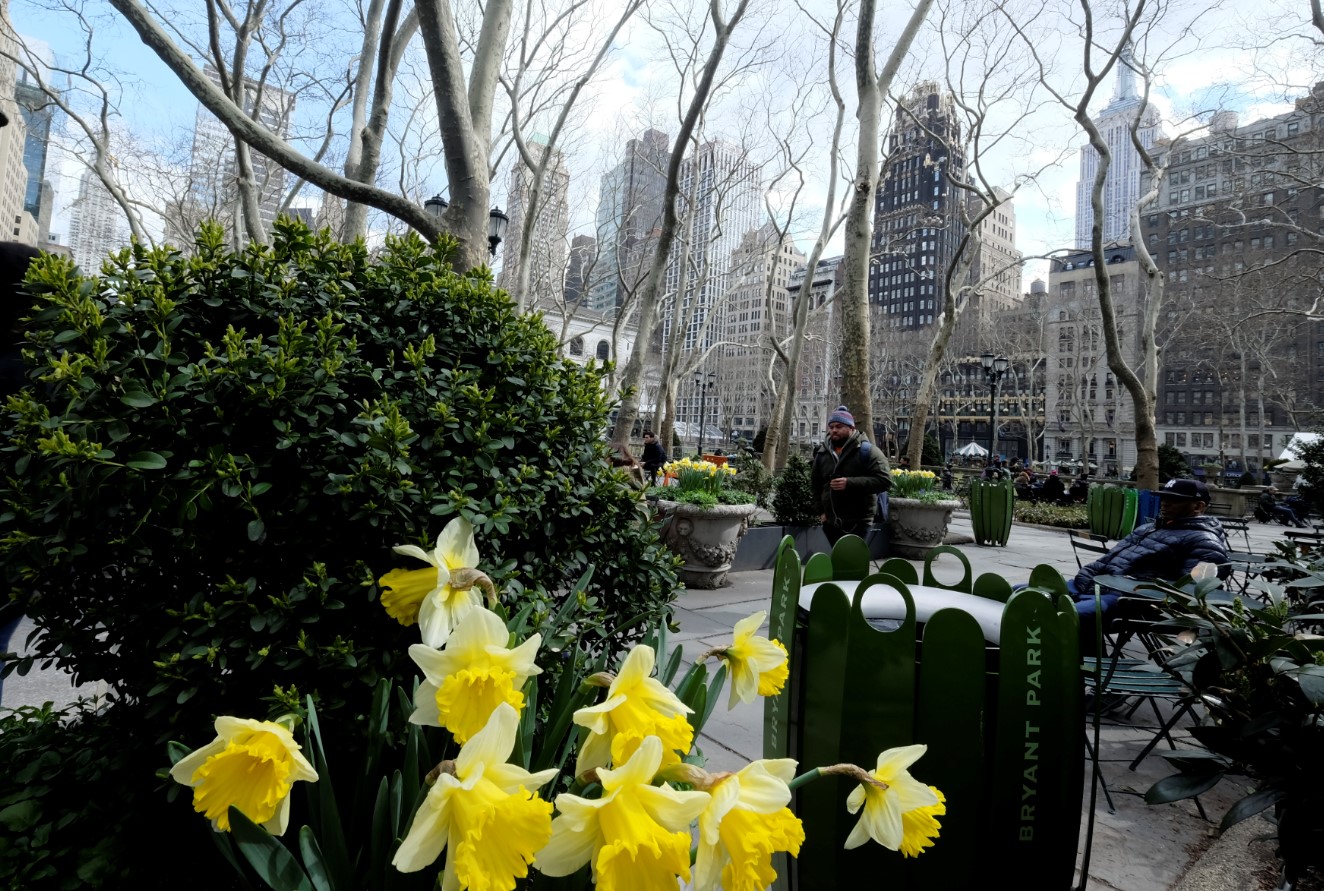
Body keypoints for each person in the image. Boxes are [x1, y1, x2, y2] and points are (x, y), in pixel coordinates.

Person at [1068, 478, 1230, 653]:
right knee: (1036, 594)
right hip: (1100, 589)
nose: (1164, 503)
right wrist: (1082, 584)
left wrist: (1128, 589)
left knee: (1071, 614)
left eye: (1174, 500)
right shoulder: (1148, 528)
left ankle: (1086, 671)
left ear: (1198, 507)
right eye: (1163, 498)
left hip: (1135, 604)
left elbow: (1191, 592)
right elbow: (1105, 561)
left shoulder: (1205, 542)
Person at [810, 405, 891, 546]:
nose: (834, 430)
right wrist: (821, 513)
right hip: (830, 521)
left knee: (853, 562)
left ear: (851, 428)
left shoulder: (868, 451)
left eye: (839, 426)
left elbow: (885, 481)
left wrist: (849, 483)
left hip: (859, 522)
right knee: (838, 560)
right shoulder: (822, 453)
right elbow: (815, 484)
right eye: (831, 427)